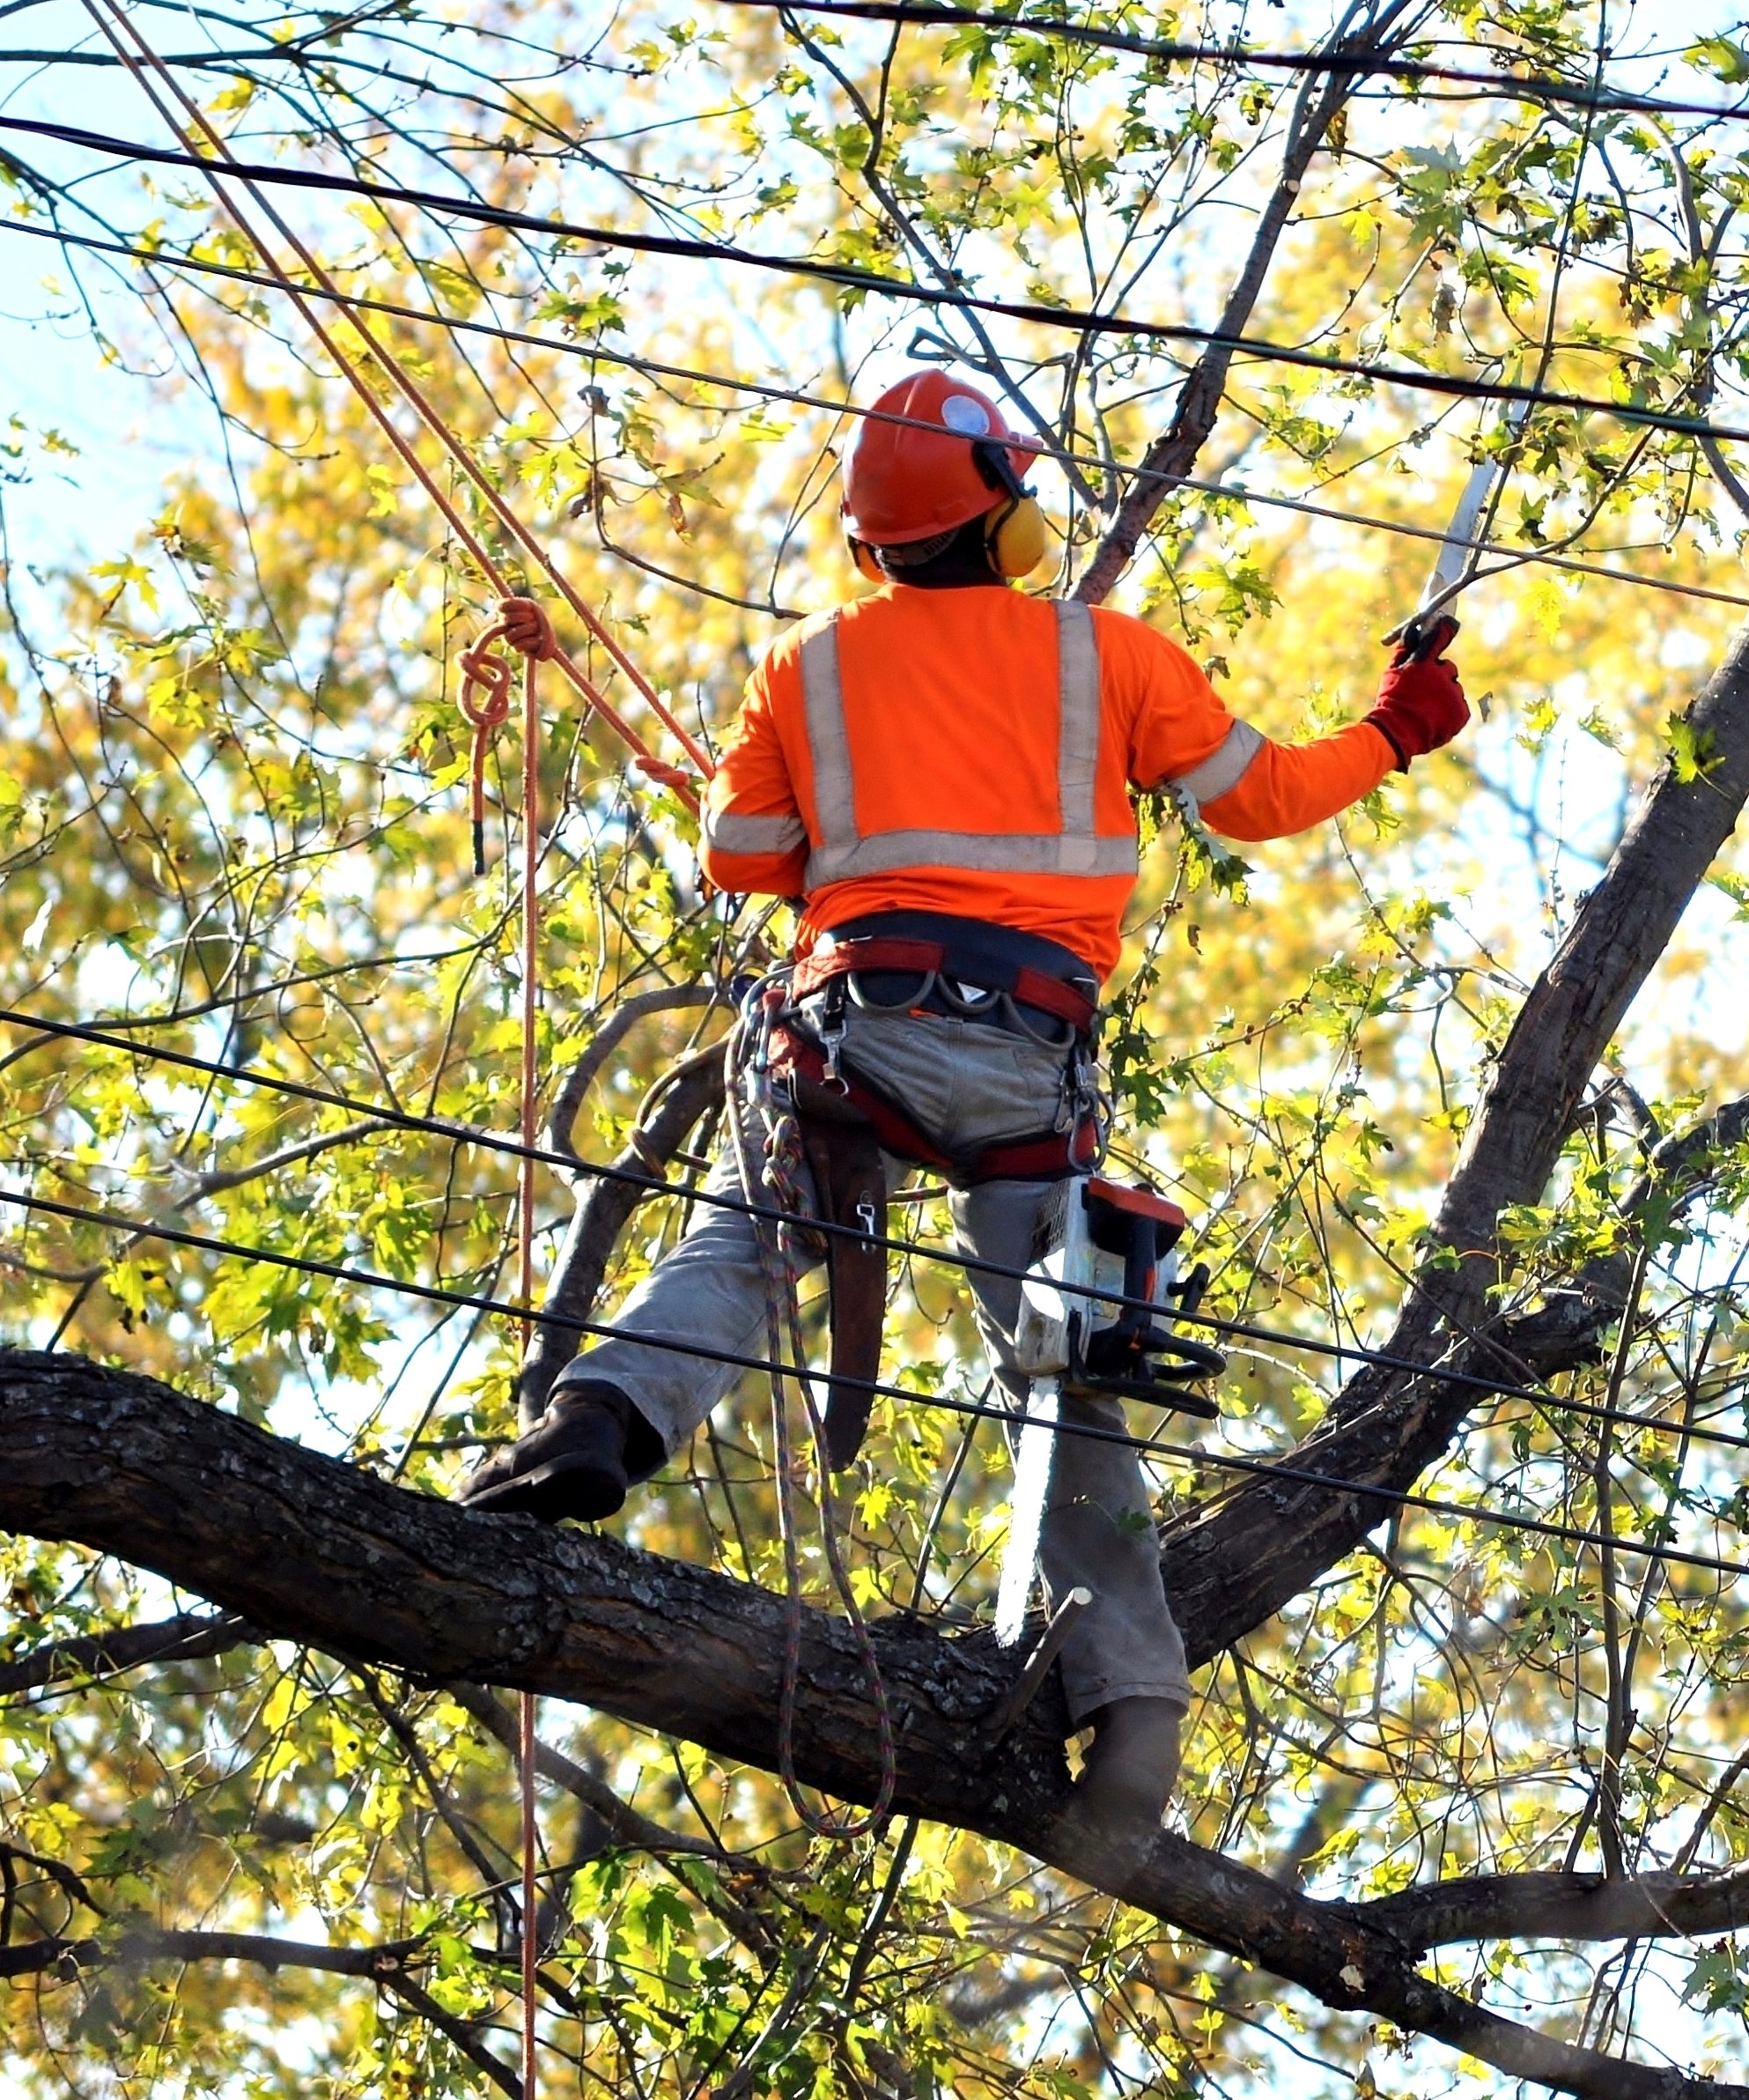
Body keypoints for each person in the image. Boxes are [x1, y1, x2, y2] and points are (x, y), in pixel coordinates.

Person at [461, 366, 1470, 1841]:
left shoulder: (806, 665)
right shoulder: (1109, 657)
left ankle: (598, 1426)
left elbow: (739, 858)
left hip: (849, 1027)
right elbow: (1261, 799)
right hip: (1022, 1052)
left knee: (747, 1243)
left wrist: (853, 846)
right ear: (1007, 519)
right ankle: (1129, 1719)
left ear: (871, 545)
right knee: (1058, 1359)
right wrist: (1394, 725)